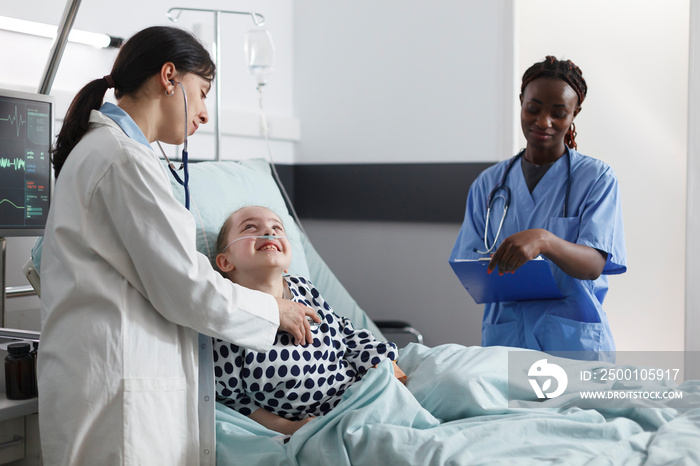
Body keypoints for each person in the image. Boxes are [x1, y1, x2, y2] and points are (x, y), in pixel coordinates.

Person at [38, 26, 319, 465]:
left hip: (120, 390)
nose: (204, 113)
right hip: (118, 404)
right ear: (169, 77)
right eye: (202, 92)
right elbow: (187, 286)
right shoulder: (121, 160)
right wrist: (273, 311)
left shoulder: (122, 155)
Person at [450, 56, 626, 362]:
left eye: (559, 114)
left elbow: (593, 264)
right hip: (506, 343)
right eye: (534, 108)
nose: (544, 122)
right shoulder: (488, 185)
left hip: (573, 345)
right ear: (521, 102)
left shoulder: (597, 178)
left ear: (575, 114)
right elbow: (469, 263)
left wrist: (545, 240)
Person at [212, 206, 405, 435]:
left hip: (364, 389)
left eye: (277, 227)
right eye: (250, 227)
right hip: (325, 424)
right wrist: (291, 428)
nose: (268, 231)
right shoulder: (231, 317)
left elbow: (344, 333)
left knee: (450, 365)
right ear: (225, 263)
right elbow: (231, 398)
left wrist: (387, 365)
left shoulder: (302, 288)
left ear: (287, 263)